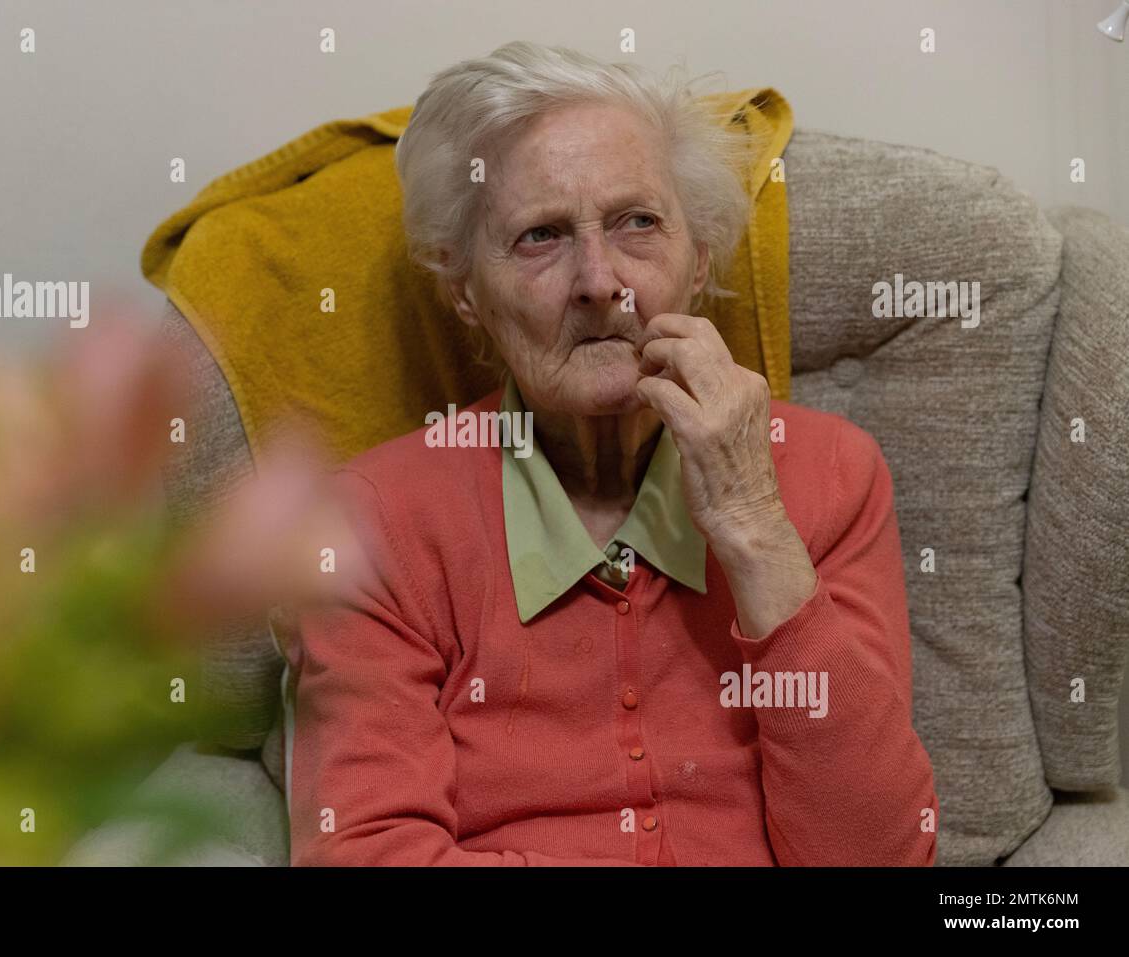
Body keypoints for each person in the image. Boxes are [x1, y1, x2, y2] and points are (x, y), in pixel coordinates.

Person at [287, 40, 938, 866]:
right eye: (539, 236)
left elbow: (878, 856)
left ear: (699, 258)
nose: (601, 281)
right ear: (463, 291)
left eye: (639, 222)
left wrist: (754, 526)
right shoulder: (368, 525)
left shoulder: (833, 475)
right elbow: (367, 853)